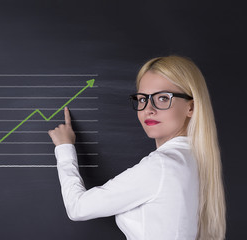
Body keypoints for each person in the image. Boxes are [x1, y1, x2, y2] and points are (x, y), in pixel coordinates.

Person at [48, 56, 226, 240]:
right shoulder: (194, 159)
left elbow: (78, 208)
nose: (148, 108)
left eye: (163, 98)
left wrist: (64, 147)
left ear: (191, 107)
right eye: (142, 99)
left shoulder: (161, 166)